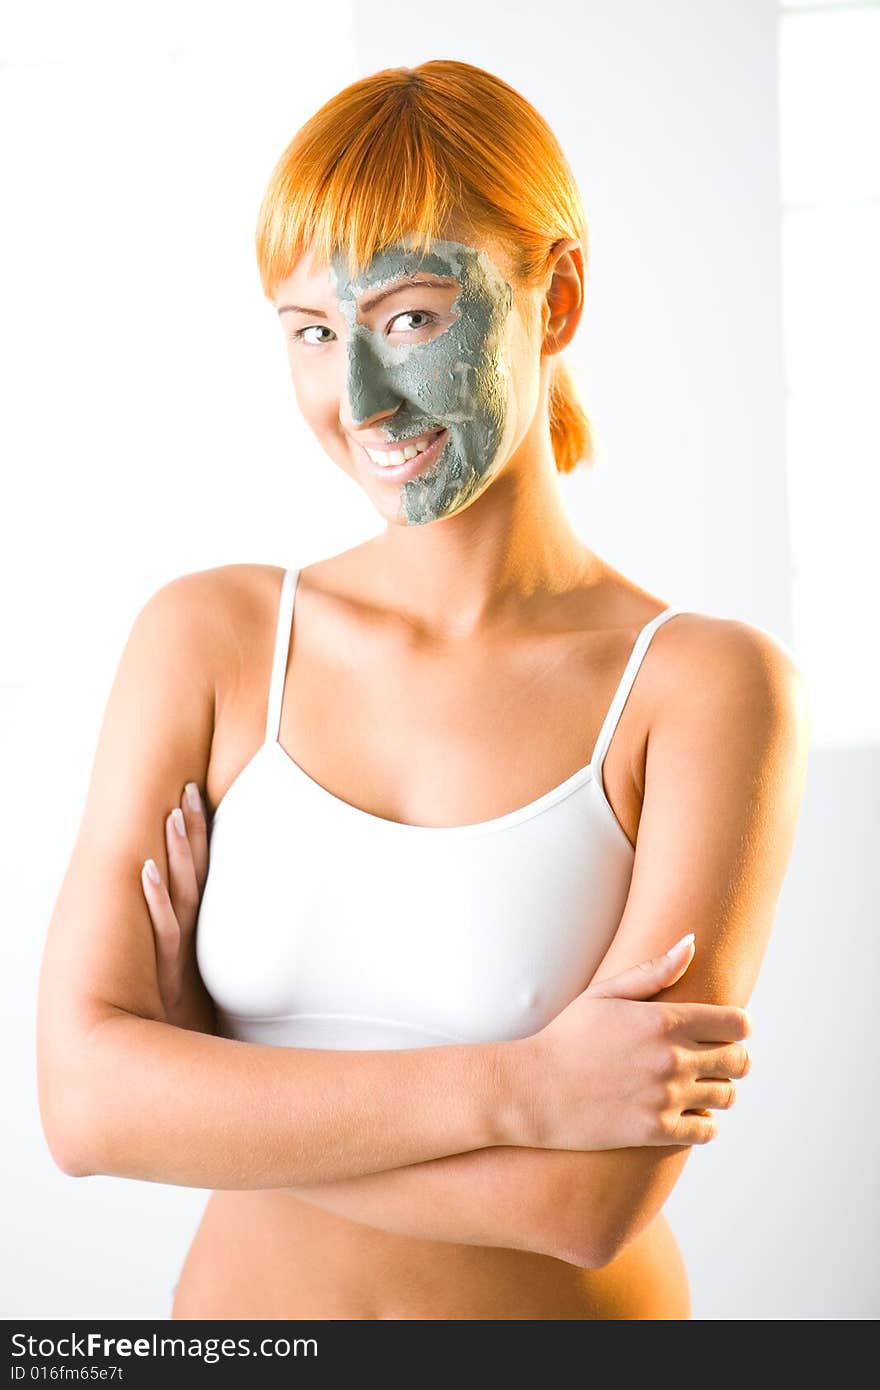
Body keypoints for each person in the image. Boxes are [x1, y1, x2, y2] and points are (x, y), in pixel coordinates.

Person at [36, 59, 810, 1321]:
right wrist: (521, 1092)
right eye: (311, 333)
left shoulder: (705, 689)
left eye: (406, 317)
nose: (358, 402)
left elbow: (585, 1204)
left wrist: (216, 1089)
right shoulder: (212, 641)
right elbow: (82, 1105)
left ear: (555, 297)